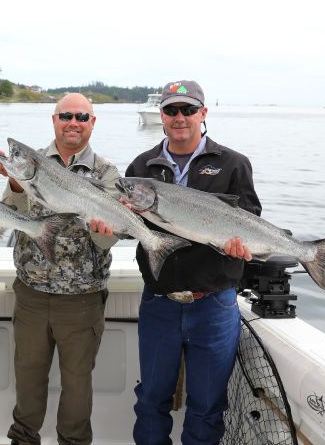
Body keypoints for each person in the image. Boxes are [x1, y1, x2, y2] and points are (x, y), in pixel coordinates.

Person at [124, 80, 261, 445]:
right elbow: (128, 228)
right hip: (159, 303)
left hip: (214, 305)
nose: (179, 117)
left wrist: (239, 245)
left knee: (207, 406)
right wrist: (112, 221)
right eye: (171, 110)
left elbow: (251, 217)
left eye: (187, 109)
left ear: (203, 113)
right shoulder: (141, 167)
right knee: (151, 401)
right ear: (162, 115)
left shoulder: (233, 163)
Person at [0, 93, 120, 445]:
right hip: (31, 294)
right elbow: (10, 216)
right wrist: (18, 184)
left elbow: (108, 242)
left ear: (92, 123)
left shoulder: (106, 173)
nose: (73, 123)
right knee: (28, 379)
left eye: (82, 117)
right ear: (54, 120)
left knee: (78, 385)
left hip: (82, 301)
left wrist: (102, 228)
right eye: (66, 116)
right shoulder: (28, 163)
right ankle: (23, 439)